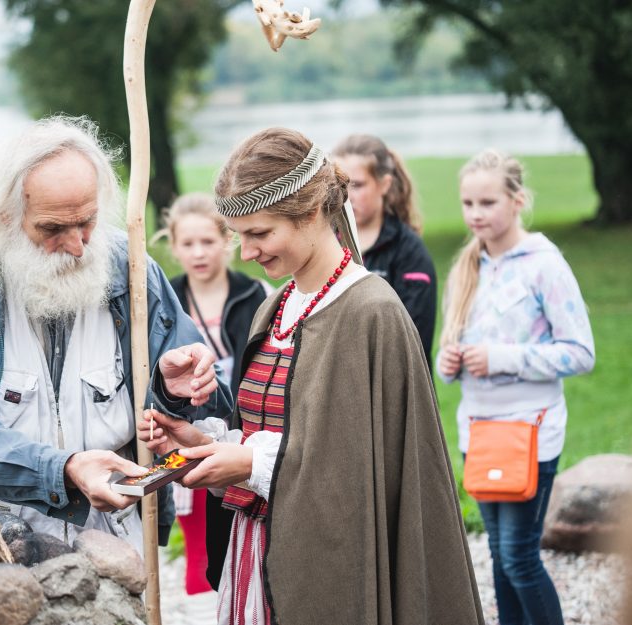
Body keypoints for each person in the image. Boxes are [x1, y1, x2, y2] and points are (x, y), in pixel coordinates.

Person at [141, 127, 485, 625]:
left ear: (311, 213)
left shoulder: (372, 312)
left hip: (338, 567)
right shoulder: (275, 309)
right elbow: (275, 438)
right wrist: (200, 440)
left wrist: (247, 463)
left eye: (260, 233)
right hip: (259, 552)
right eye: (239, 236)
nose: (247, 252)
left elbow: (359, 474)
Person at [0, 116, 232, 555]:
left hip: (121, 540)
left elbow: (206, 415)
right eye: (53, 229)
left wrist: (172, 393)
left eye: (88, 221)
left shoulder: (131, 269)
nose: (77, 245)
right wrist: (64, 470)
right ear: (3, 218)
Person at [437, 149, 595, 625]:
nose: (475, 214)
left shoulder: (545, 265)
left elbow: (580, 352)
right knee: (504, 565)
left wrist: (501, 358)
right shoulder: (467, 268)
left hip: (531, 429)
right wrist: (450, 363)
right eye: (468, 204)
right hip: (480, 434)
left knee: (519, 559)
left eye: (487, 202)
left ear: (518, 200)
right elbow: (455, 356)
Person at [157, 192, 271, 594]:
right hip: (180, 434)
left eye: (208, 241)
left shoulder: (256, 293)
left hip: (240, 435)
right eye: (188, 244)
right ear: (173, 247)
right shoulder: (163, 301)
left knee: (238, 536)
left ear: (228, 240)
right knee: (195, 542)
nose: (199, 253)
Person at [331, 134, 437, 361]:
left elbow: (413, 341)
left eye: (357, 185)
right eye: (340, 184)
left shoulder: (410, 252)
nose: (347, 196)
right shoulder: (327, 243)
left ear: (384, 184)